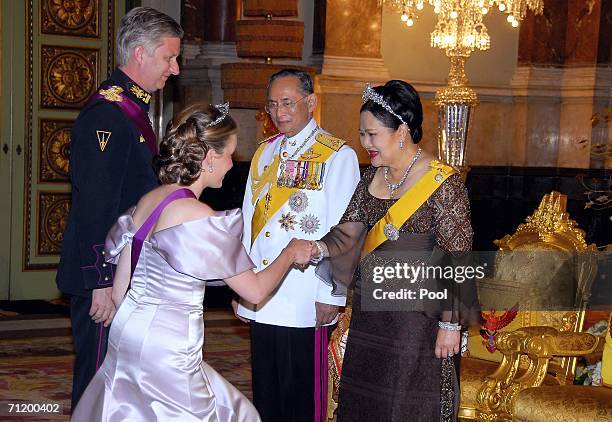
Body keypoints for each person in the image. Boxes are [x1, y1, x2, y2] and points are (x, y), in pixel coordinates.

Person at [70, 102, 314, 421]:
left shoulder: (150, 199)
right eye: (229, 154)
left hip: (127, 333)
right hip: (168, 346)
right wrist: (291, 253)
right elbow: (254, 292)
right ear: (210, 157)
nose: (231, 164)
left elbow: (120, 293)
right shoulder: (198, 215)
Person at [310, 80, 481, 421]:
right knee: (365, 401)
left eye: (372, 135)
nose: (365, 143)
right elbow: (348, 233)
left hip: (417, 321)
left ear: (401, 130)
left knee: (407, 403)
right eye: (362, 134)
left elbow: (457, 256)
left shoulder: (443, 183)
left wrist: (450, 326)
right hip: (372, 316)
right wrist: (315, 248)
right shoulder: (372, 177)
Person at [56, 6, 183, 408]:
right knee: (98, 385)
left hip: (123, 270)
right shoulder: (108, 115)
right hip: (107, 276)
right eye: (169, 57)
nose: (175, 69)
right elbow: (96, 204)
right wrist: (101, 281)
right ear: (140, 54)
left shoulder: (130, 108)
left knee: (121, 384)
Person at [234, 69, 360, 422]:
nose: (279, 112)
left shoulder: (337, 155)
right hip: (263, 287)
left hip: (306, 293)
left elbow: (346, 232)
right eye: (273, 104)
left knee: (303, 394)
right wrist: (241, 284)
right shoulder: (263, 153)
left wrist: (332, 294)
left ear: (311, 102)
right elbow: (248, 224)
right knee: (267, 390)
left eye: (288, 102)